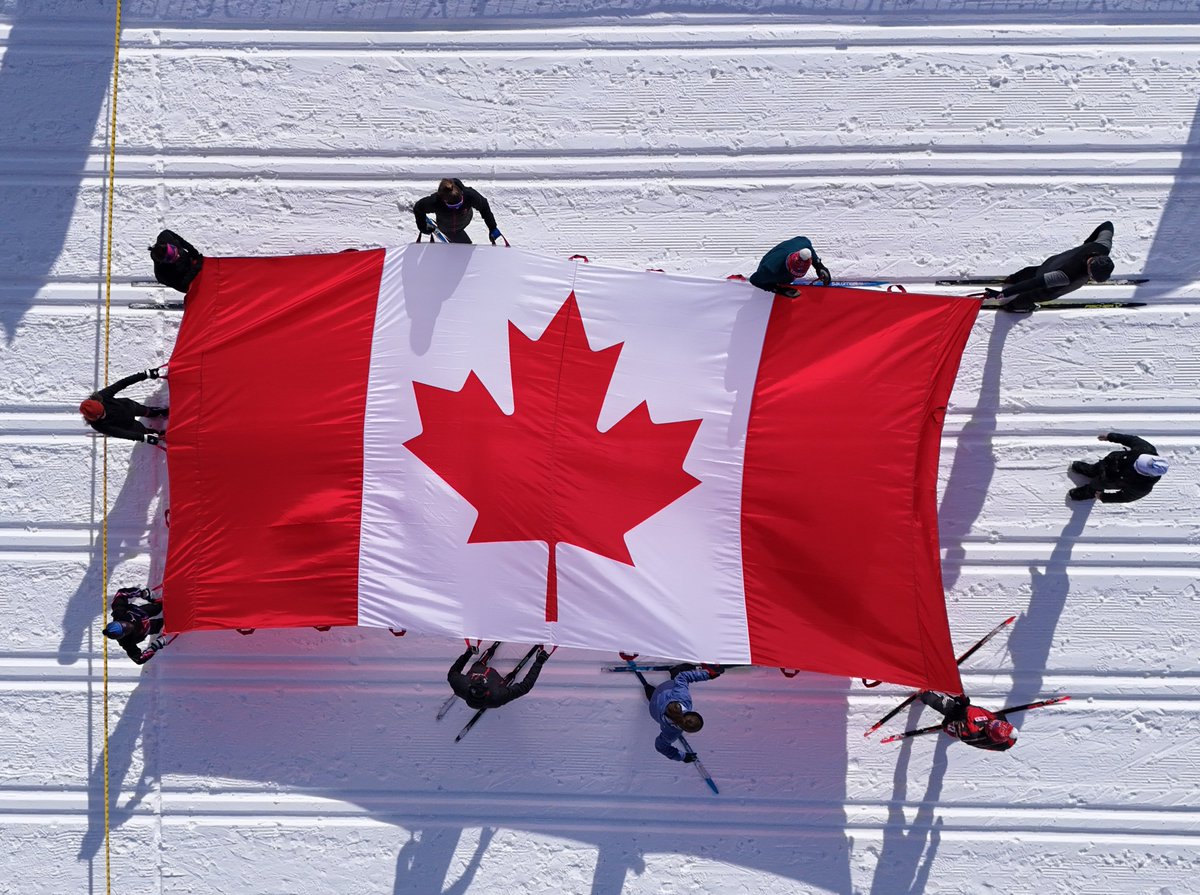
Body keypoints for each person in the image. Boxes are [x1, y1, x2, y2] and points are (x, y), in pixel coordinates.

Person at [990, 221, 1114, 312]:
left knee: (1033, 271)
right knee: (1032, 295)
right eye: (1092, 276)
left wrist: (1088, 243)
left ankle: (1013, 279)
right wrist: (1004, 294)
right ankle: (1013, 306)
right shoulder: (1068, 275)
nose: (1091, 278)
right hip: (1051, 282)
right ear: (1090, 266)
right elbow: (1035, 283)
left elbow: (1107, 225)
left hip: (1051, 263)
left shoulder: (1102, 246)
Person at [646, 663, 723, 762]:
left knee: (678, 680)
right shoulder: (671, 733)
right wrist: (682, 756)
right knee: (655, 701)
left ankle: (674, 670)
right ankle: (648, 689)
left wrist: (708, 675)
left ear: (691, 712)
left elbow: (683, 677)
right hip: (653, 707)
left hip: (664, 688)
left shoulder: (683, 698)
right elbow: (660, 746)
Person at [79, 366, 169, 445]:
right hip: (128, 425)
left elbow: (123, 383)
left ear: (99, 402)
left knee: (147, 411)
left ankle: (157, 413)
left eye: (103, 411)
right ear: (92, 419)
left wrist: (145, 375)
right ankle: (156, 435)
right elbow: (120, 433)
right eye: (100, 416)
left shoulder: (102, 396)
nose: (104, 415)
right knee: (143, 432)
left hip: (129, 407)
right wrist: (143, 438)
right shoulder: (98, 426)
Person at [447, 642, 551, 710]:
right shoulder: (497, 697)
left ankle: (483, 661)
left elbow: (453, 672)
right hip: (496, 682)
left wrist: (468, 654)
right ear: (487, 692)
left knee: (477, 668)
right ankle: (506, 681)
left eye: (477, 679)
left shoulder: (460, 684)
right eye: (482, 681)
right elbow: (525, 687)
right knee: (503, 686)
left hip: (479, 671)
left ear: (469, 685)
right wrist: (539, 662)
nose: (481, 679)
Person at [1069, 432, 1168, 503]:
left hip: (1110, 480)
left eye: (1138, 467)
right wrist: (1111, 436)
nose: (1135, 463)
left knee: (1096, 484)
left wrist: (1105, 497)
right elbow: (1132, 440)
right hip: (1110, 462)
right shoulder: (1146, 449)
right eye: (1139, 460)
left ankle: (1089, 492)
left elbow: (1125, 497)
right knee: (1096, 468)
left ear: (1148, 474)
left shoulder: (1143, 486)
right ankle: (1090, 471)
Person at [412, 178, 503, 245]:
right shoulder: (435, 202)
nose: (456, 208)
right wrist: (422, 227)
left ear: (462, 194)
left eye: (460, 204)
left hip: (465, 220)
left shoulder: (470, 195)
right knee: (466, 248)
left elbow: (484, 207)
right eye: (453, 206)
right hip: (448, 228)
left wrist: (492, 227)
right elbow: (418, 208)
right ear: (443, 200)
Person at [919, 691, 1017, 752]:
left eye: (989, 725)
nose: (989, 722)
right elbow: (1009, 737)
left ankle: (924, 695)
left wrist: (960, 707)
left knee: (947, 707)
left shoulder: (969, 733)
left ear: (989, 734)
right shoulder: (1000, 724)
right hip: (968, 712)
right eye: (994, 722)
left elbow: (948, 726)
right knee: (959, 697)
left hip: (957, 718)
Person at [103, 586, 169, 665]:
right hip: (145, 629)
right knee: (167, 624)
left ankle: (157, 601)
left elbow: (121, 594)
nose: (129, 626)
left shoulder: (119, 612)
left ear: (119, 621)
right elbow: (139, 659)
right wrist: (155, 646)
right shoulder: (126, 642)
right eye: (126, 630)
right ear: (123, 635)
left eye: (125, 624)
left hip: (141, 613)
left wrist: (141, 593)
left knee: (158, 607)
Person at [748, 236, 832, 296]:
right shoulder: (769, 270)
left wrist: (819, 266)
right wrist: (779, 290)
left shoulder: (803, 243)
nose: (795, 277)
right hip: (774, 267)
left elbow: (809, 249)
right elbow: (754, 280)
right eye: (793, 273)